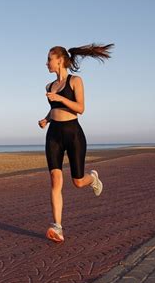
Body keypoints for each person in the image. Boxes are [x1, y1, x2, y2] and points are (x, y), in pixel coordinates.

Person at [38, 43, 115, 243]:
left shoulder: (75, 81)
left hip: (73, 134)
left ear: (60, 60)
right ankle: (58, 227)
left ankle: (93, 178)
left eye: (49, 59)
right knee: (55, 181)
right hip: (53, 134)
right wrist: (46, 119)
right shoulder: (49, 86)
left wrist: (60, 99)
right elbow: (54, 108)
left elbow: (80, 108)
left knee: (78, 182)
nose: (47, 63)